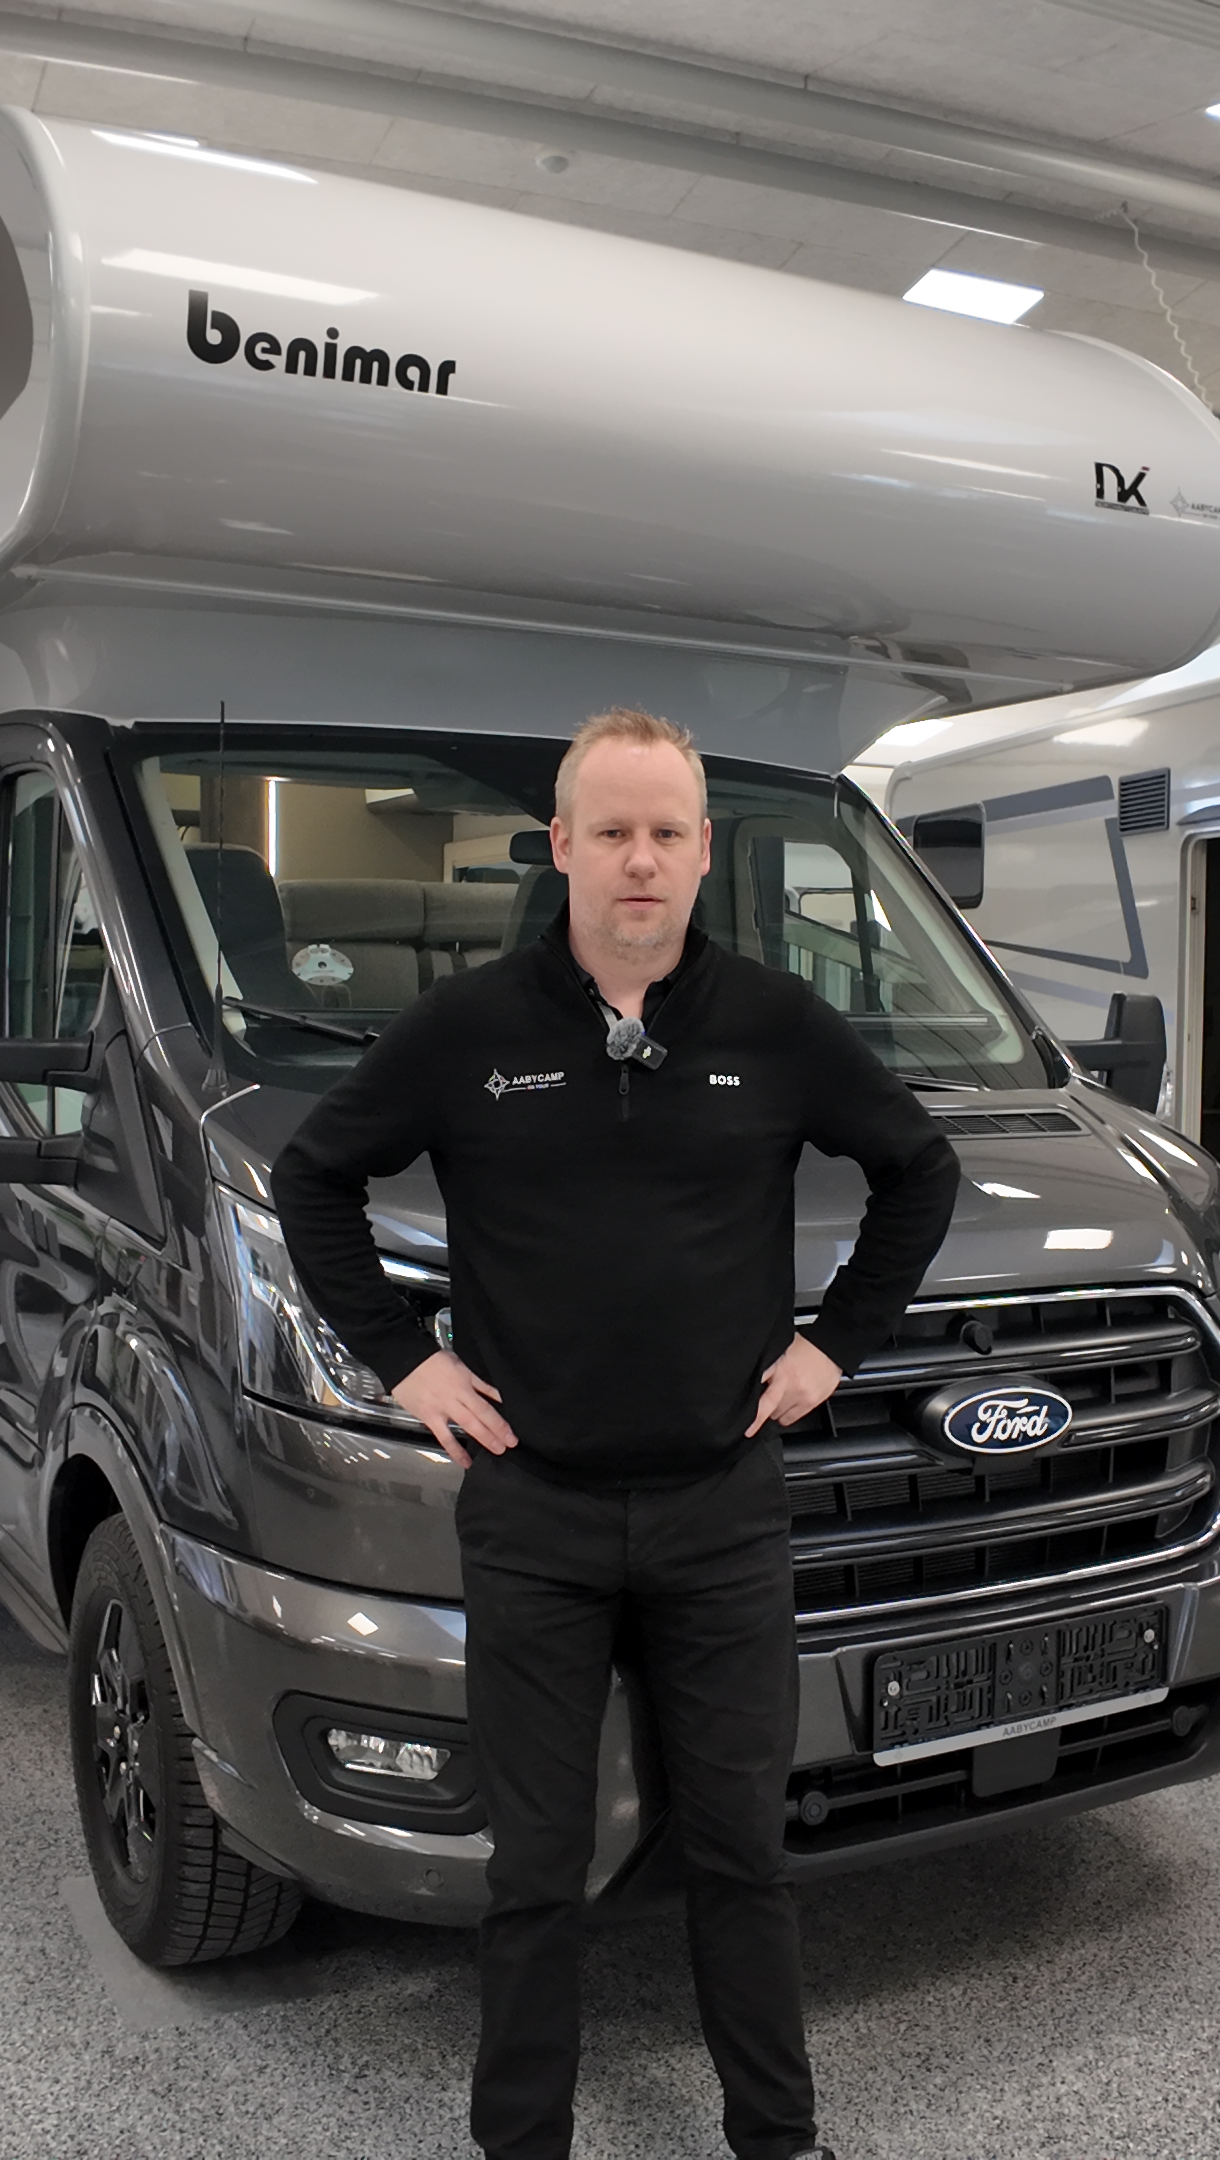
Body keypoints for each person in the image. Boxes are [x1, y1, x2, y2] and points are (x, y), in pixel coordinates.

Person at [274, 708, 961, 2160]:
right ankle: (522, 2141)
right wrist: (409, 1365)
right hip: (536, 1513)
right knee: (535, 1868)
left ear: (704, 852)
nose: (638, 860)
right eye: (611, 833)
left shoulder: (775, 1025)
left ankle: (779, 2139)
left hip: (723, 1511)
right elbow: (312, 1180)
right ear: (561, 848)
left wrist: (834, 1347)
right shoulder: (469, 1031)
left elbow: (920, 1169)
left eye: (664, 833)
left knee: (741, 1856)